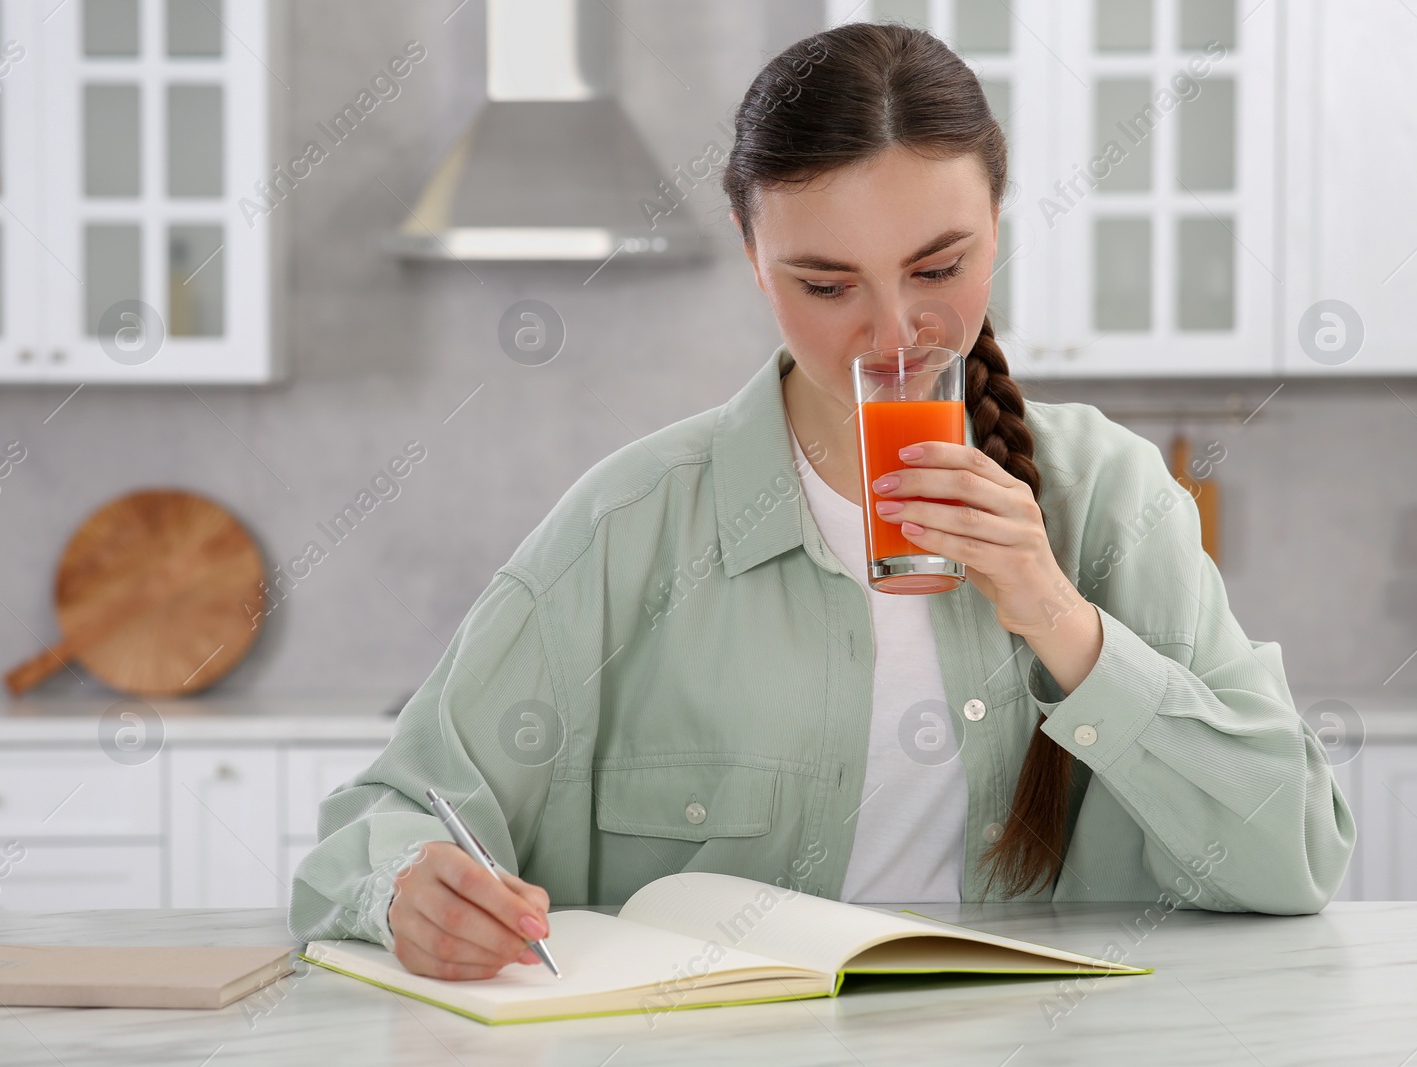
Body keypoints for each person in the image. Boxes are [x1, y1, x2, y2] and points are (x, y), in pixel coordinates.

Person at [288, 22, 1355, 981]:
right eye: (827, 284)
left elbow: (1294, 857)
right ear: (756, 261)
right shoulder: (628, 525)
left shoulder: (1111, 498)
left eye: (940, 266)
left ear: (998, 223)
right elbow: (378, 821)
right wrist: (403, 891)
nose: (893, 334)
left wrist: (1060, 622)